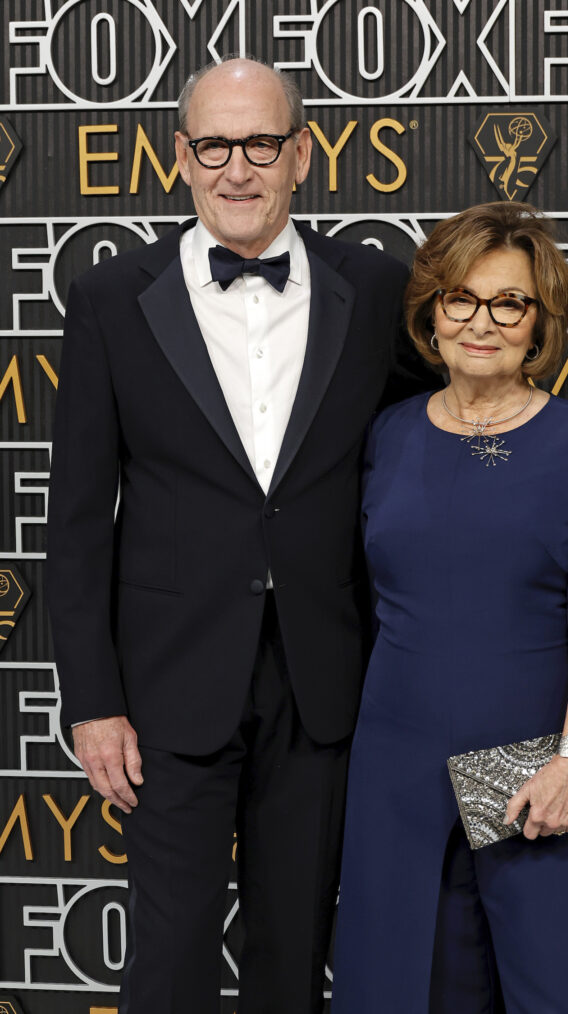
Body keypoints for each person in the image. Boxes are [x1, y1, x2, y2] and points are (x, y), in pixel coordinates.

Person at [46, 57, 434, 1014]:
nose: (237, 169)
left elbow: (430, 458)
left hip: (323, 678)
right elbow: (78, 523)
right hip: (165, 688)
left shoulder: (376, 289)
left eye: (261, 143)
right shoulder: (110, 298)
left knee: (294, 952)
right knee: (168, 957)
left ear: (302, 153)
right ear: (181, 157)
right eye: (214, 146)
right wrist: (91, 704)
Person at [331, 202, 568, 1013]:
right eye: (461, 298)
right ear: (432, 312)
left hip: (539, 765)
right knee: (400, 990)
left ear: (540, 322)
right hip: (397, 767)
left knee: (553, 991)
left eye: (509, 303)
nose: (482, 322)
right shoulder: (387, 434)